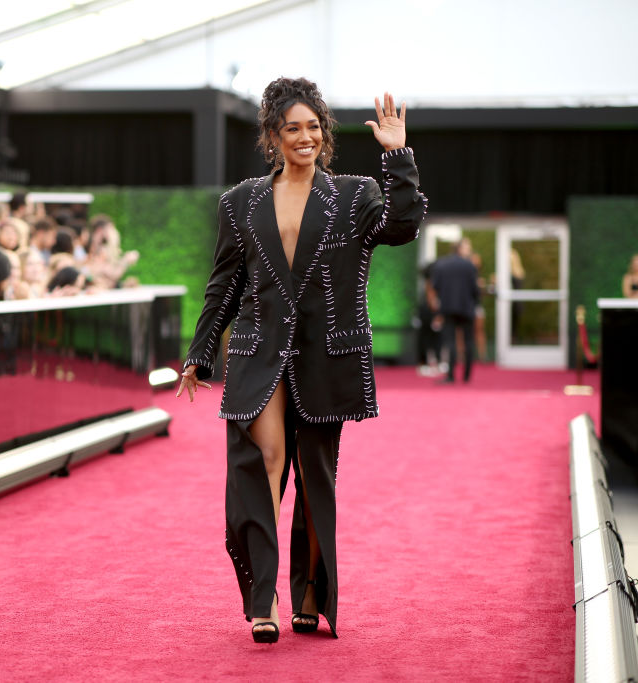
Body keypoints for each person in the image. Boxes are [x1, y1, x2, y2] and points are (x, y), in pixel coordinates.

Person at [176, 79, 427, 643]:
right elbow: (224, 283)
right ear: (273, 136)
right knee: (264, 459)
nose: (305, 137)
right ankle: (262, 598)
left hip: (325, 357)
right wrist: (199, 352)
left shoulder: (355, 194)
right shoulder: (239, 202)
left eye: (314, 127)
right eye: (293, 128)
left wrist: (397, 155)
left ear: (326, 134)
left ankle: (309, 595)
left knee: (316, 479)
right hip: (259, 351)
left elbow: (403, 225)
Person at [430, 238, 479, 383]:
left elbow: (435, 286)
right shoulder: (470, 265)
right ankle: (467, 375)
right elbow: (475, 289)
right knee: (468, 341)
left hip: (448, 308)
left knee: (449, 341)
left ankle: (451, 375)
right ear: (460, 249)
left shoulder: (441, 265)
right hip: (466, 308)